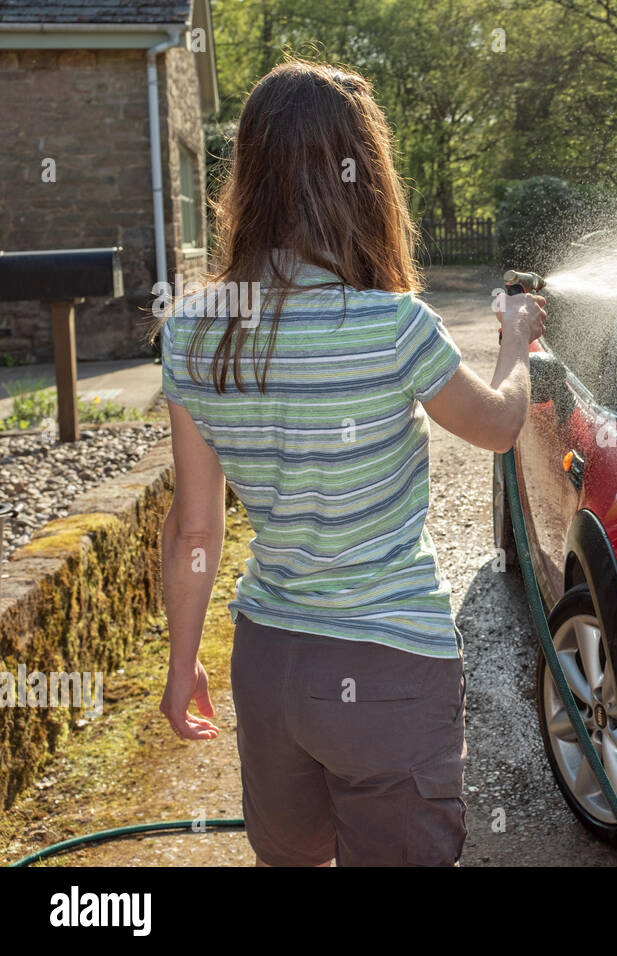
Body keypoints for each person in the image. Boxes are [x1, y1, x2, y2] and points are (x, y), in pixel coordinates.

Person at [153, 59, 546, 867]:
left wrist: (181, 660)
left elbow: (194, 527)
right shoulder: (393, 325)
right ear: (359, 178)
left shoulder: (192, 332)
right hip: (388, 666)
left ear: (250, 176)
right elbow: (501, 427)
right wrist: (516, 338)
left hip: (268, 664)